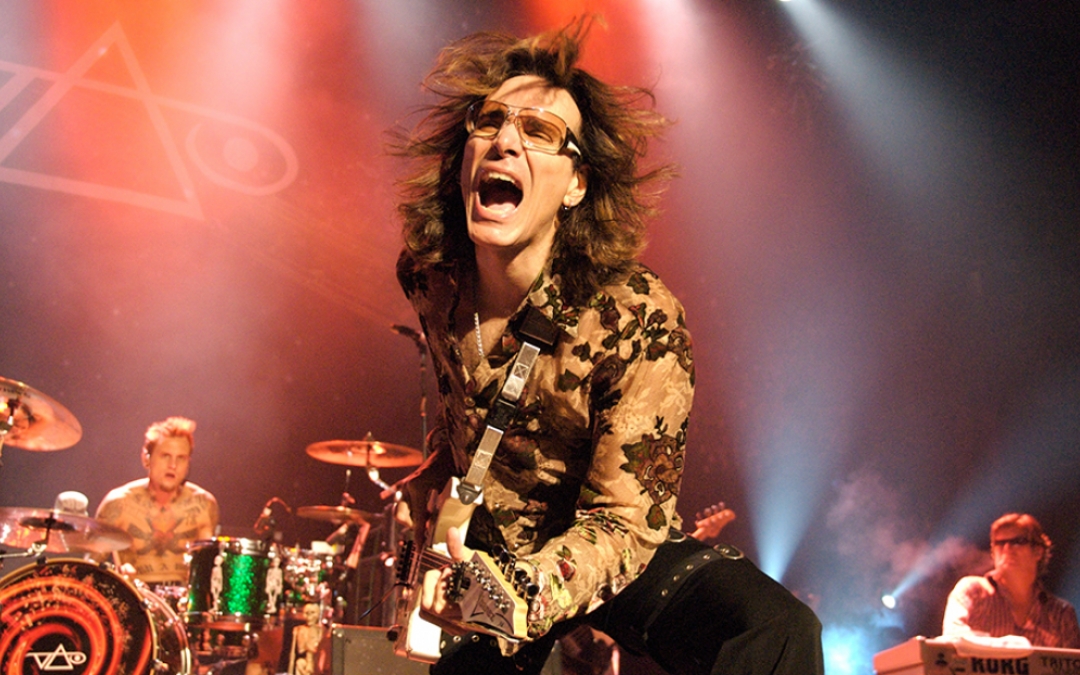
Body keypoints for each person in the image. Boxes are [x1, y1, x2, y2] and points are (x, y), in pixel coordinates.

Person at [391, 20, 823, 675]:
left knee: (775, 626)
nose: (505, 140)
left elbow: (627, 520)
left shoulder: (636, 315)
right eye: (490, 121)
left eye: (539, 131)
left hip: (598, 540)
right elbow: (474, 412)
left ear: (576, 184)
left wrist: (525, 594)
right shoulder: (429, 277)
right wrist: (435, 478)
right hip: (488, 545)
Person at [94, 416, 219, 584]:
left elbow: (208, 570)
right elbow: (91, 566)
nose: (173, 465)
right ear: (146, 458)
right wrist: (115, 575)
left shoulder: (204, 505)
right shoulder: (118, 503)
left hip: (185, 598)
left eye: (181, 458)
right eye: (165, 456)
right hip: (135, 595)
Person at [942, 512, 1080, 648]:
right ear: (993, 553)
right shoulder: (973, 591)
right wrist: (1008, 647)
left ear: (1038, 551)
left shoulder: (1061, 613)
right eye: (1000, 543)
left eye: (1018, 542)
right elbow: (953, 636)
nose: (1007, 549)